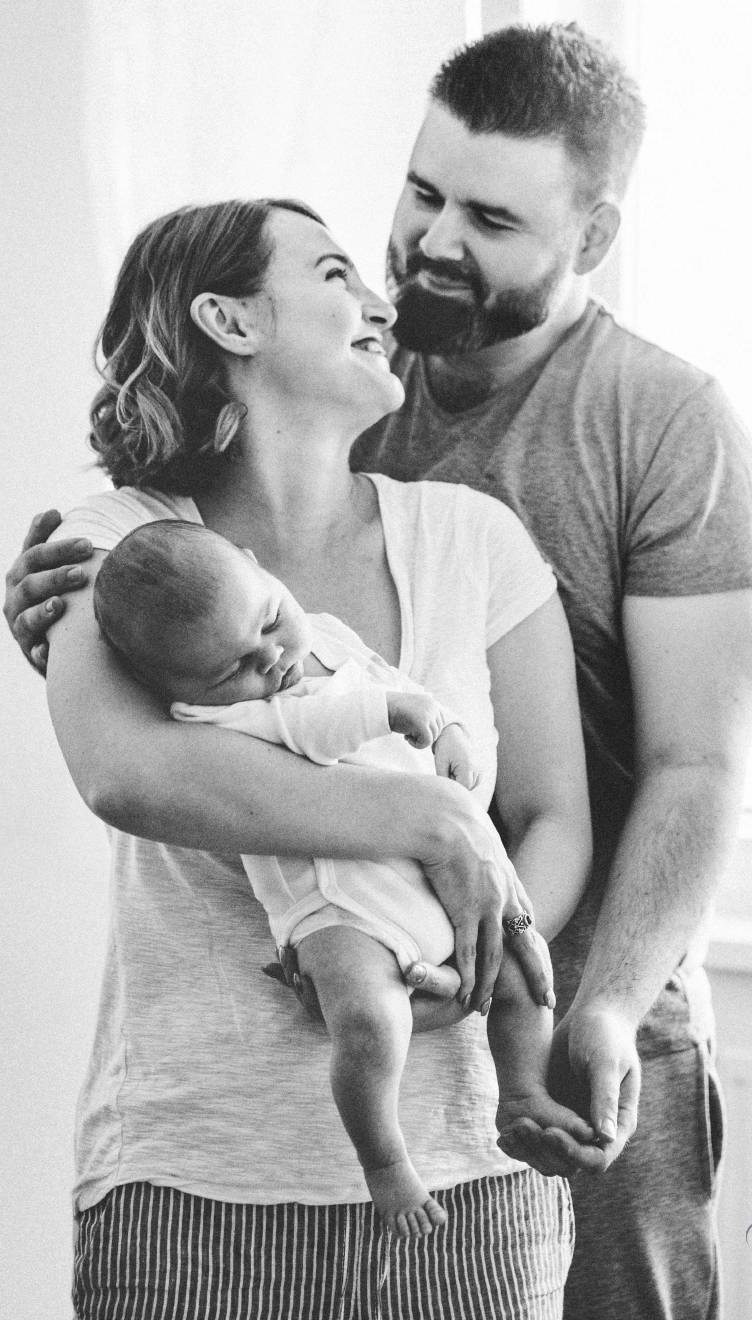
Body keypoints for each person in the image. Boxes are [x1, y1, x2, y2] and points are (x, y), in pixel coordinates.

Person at [7, 23, 752, 1319]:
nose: (423, 251)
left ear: (590, 237)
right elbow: (137, 720)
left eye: (490, 219)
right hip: (220, 1127)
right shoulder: (354, 371)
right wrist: (88, 605)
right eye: (422, 193)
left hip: (573, 1001)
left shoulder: (661, 428)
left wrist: (590, 998)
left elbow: (693, 765)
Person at [28, 194, 594, 1317]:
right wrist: (431, 821)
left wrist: (471, 959)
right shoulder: (113, 543)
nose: (382, 305)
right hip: (192, 1188)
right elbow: (127, 774)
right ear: (230, 321)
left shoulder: (473, 538)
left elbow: (552, 816)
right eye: (337, 276)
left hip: (469, 1175)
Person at [90, 516, 588, 1237]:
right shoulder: (219, 715)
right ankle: (385, 1160)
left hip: (423, 885)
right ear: (180, 690)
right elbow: (317, 730)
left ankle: (522, 1094)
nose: (272, 659)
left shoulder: (324, 634)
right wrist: (397, 712)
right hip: (335, 909)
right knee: (369, 1025)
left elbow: (391, 680)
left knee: (519, 973)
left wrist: (445, 726)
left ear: (259, 566)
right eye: (234, 668)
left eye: (270, 620)